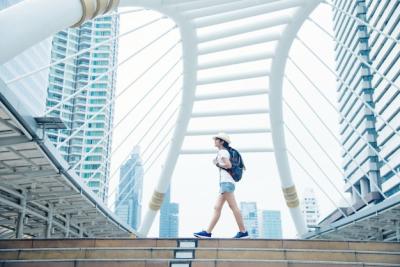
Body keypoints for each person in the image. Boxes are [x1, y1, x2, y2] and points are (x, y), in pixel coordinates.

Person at [194, 132, 249, 239]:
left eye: (216, 139)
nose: (214, 141)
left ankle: (243, 232)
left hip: (226, 183)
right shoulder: (224, 151)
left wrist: (217, 164)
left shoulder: (223, 152)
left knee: (233, 207)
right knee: (217, 207)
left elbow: (228, 165)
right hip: (226, 183)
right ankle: (207, 232)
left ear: (222, 141)